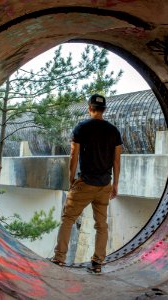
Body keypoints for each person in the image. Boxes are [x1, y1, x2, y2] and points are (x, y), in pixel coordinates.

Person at [51, 94, 122, 273]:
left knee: (68, 219)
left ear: (89, 108)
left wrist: (71, 180)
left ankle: (59, 258)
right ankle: (97, 263)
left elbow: (73, 155)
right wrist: (115, 185)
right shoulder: (114, 131)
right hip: (104, 185)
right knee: (101, 224)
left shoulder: (81, 128)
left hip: (85, 183)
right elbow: (117, 161)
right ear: (104, 110)